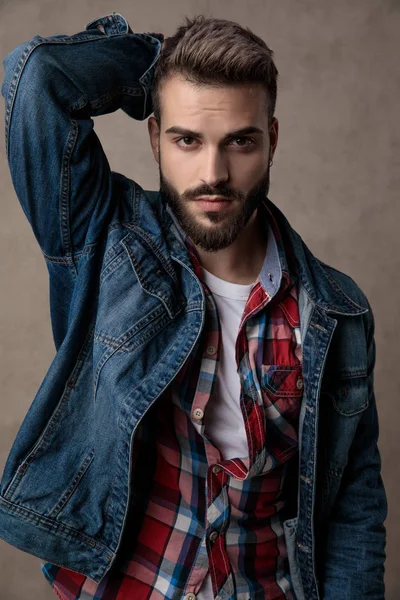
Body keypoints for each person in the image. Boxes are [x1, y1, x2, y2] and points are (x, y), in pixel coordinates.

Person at [0, 11, 387, 600]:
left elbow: (352, 507)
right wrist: (163, 61)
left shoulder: (335, 311)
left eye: (240, 141)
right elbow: (35, 80)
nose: (214, 174)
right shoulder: (108, 243)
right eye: (187, 139)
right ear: (155, 138)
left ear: (273, 141)